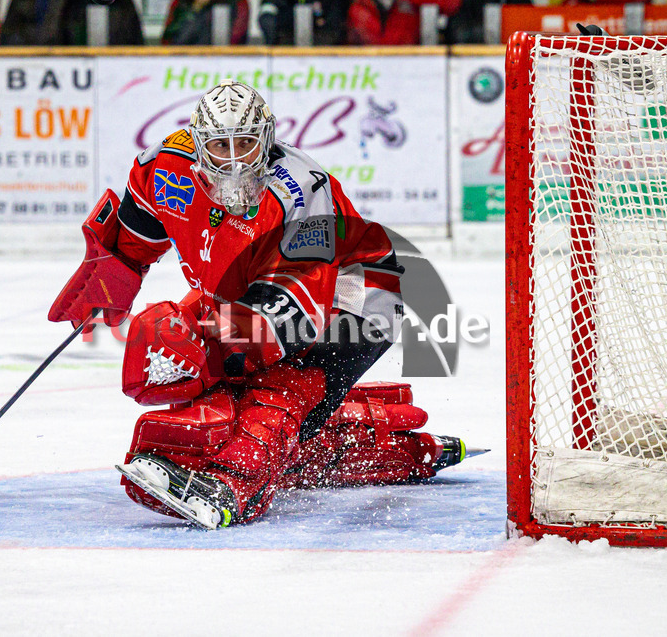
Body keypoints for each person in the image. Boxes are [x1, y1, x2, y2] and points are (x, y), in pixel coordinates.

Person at [48, 80, 478, 528]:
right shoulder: (163, 166)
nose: (233, 160)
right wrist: (113, 273)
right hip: (250, 287)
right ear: (197, 144)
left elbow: (296, 305)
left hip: (362, 291)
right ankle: (378, 442)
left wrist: (223, 351)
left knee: (279, 389)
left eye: (246, 144)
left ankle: (234, 485)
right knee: (207, 374)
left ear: (267, 139)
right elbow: (138, 232)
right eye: (219, 145)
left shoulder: (302, 191)